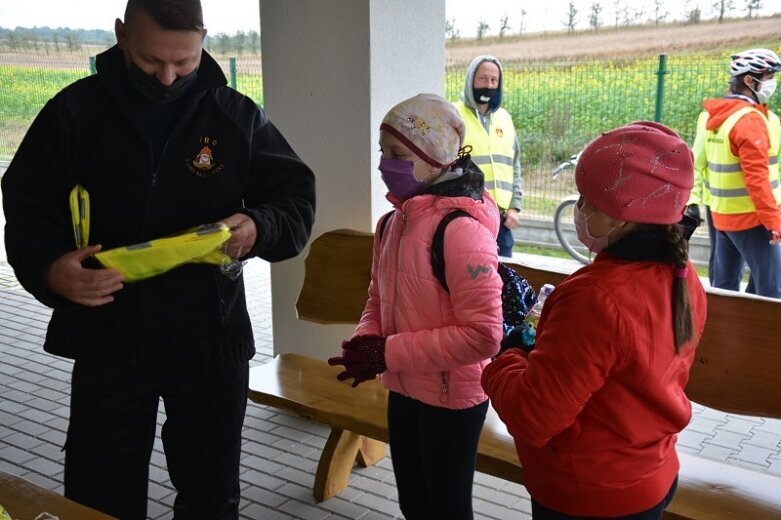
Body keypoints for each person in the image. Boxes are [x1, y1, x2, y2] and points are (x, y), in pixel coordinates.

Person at [1, 1, 316, 518]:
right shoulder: (75, 113)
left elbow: (295, 198)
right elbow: (28, 202)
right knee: (98, 495)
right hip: (108, 338)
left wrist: (260, 226)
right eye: (151, 61)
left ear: (203, 40)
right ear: (122, 34)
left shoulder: (234, 116)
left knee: (211, 497)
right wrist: (50, 269)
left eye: (184, 62)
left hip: (211, 338)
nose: (168, 78)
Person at [482, 122, 708, 519]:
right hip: (650, 474)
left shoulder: (595, 297)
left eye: (589, 202)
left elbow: (533, 418)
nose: (580, 211)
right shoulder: (682, 274)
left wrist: (508, 352)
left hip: (588, 493)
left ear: (624, 216)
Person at [327, 93, 503, 520]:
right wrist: (368, 339)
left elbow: (485, 335)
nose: (386, 164)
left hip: (452, 399)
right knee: (414, 503)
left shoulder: (461, 231)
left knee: (446, 508)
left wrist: (386, 353)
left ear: (435, 156)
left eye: (399, 154)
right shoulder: (393, 222)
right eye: (383, 152)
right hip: (404, 388)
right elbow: (378, 295)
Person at [696, 48, 781, 298]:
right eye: (768, 77)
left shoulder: (719, 117)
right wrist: (773, 221)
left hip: (723, 215)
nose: (772, 83)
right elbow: (756, 179)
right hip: (752, 219)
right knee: (773, 291)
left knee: (725, 289)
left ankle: (721, 336)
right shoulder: (749, 120)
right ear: (749, 80)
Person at [454, 55, 523, 257]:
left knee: (505, 282)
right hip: (468, 215)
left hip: (502, 220)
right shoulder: (454, 114)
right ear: (471, 80)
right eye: (483, 79)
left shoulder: (505, 119)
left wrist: (515, 208)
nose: (489, 85)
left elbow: (514, 165)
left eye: (494, 80)